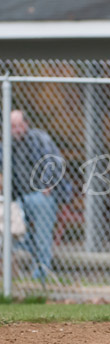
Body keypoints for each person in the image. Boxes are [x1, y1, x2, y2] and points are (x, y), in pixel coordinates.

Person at [0, 110, 66, 280]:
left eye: (19, 125)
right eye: (12, 126)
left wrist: (47, 183)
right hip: (17, 197)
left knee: (43, 237)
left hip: (40, 195)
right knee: (17, 233)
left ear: (26, 124)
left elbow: (54, 160)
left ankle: (41, 277)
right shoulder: (6, 144)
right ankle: (23, 272)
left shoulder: (39, 139)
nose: (16, 130)